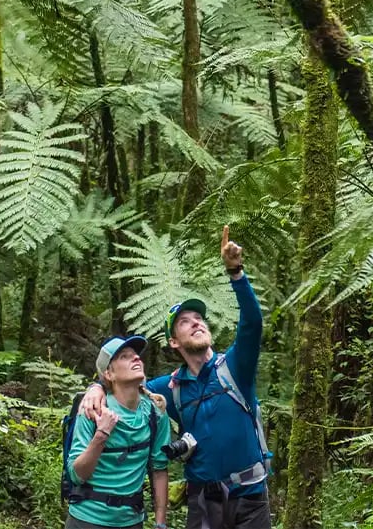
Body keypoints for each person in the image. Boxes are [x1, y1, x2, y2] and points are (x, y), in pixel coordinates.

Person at [81, 226, 270, 529]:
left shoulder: (235, 368)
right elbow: (125, 383)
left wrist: (236, 273)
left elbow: (252, 324)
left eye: (199, 320)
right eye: (185, 322)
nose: (196, 323)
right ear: (173, 342)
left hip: (249, 498)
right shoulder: (170, 388)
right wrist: (96, 387)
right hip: (202, 502)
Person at [65, 334, 171, 529]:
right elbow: (76, 475)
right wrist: (101, 435)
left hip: (131, 521)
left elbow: (159, 470)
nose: (136, 358)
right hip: (86, 519)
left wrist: (160, 523)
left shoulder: (155, 413)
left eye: (136, 355)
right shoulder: (92, 409)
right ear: (109, 374)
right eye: (124, 356)